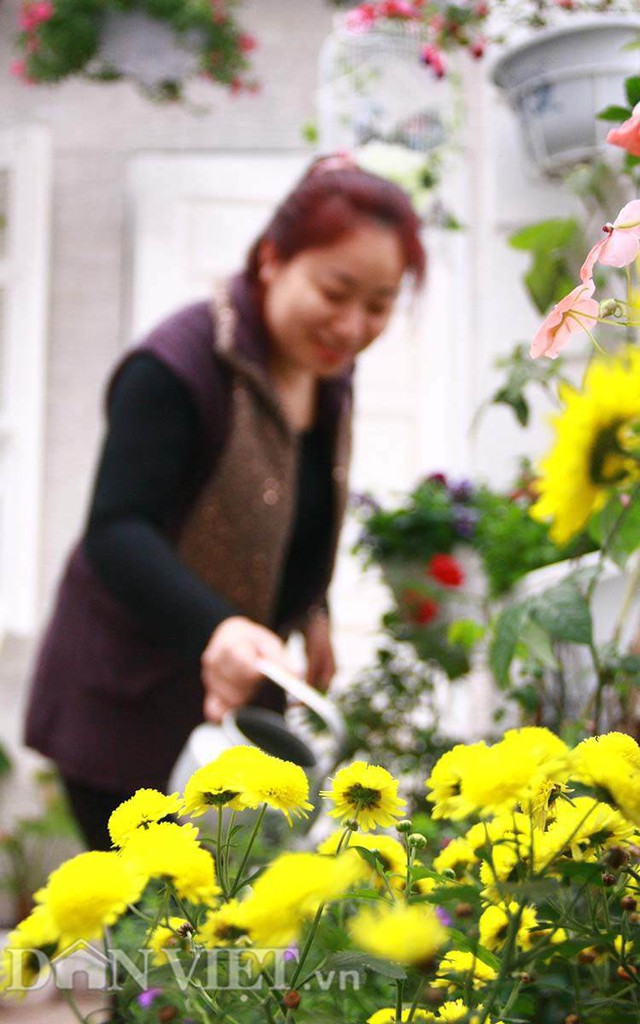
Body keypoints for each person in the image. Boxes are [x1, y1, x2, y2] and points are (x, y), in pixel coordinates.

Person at [24, 155, 426, 850]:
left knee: (225, 928)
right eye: (336, 291)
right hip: (128, 702)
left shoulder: (326, 372)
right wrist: (217, 628)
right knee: (158, 929)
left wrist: (311, 607)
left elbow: (299, 503)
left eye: (380, 304)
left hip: (234, 700)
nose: (353, 325)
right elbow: (117, 532)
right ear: (272, 259)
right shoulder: (177, 365)